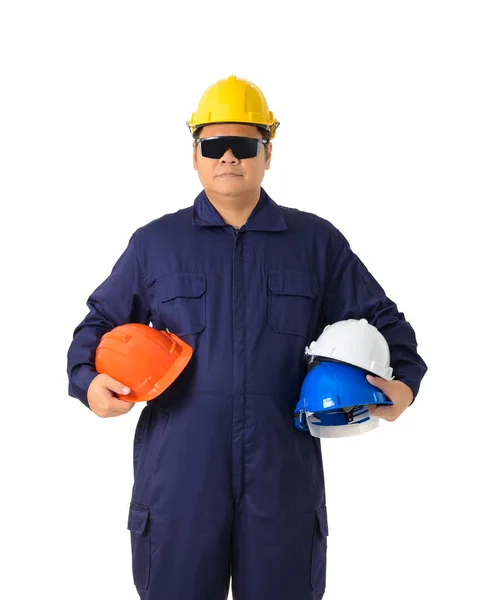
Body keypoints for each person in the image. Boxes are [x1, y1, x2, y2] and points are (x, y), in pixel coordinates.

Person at [66, 74, 428, 600]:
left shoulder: (315, 243)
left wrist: (405, 385)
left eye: (244, 145)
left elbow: (385, 322)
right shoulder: (156, 245)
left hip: (282, 475)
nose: (228, 157)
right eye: (214, 145)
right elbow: (97, 323)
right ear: (195, 155)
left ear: (268, 152)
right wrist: (88, 381)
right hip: (180, 477)